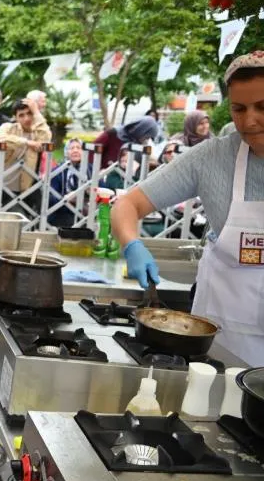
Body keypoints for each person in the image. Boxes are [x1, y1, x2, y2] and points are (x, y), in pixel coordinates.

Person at [111, 50, 264, 364]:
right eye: (239, 108)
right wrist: (132, 245)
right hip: (221, 344)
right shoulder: (212, 158)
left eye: (262, 107)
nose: (249, 121)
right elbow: (127, 204)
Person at [0, 98, 51, 200]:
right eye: (21, 115)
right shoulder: (9, 127)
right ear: (15, 118)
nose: (26, 118)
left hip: (24, 190)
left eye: (29, 113)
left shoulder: (37, 133)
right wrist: (26, 142)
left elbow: (46, 139)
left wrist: (36, 112)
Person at [48, 138, 91, 228]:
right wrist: (68, 199)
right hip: (62, 212)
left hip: (86, 211)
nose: (75, 150)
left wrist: (91, 192)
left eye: (78, 148)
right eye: (72, 148)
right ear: (66, 152)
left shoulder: (91, 169)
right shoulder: (57, 171)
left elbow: (102, 189)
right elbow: (50, 198)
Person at [93, 116, 159, 165]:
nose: (147, 140)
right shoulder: (112, 134)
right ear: (141, 131)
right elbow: (92, 150)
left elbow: (146, 158)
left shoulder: (136, 142)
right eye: (147, 137)